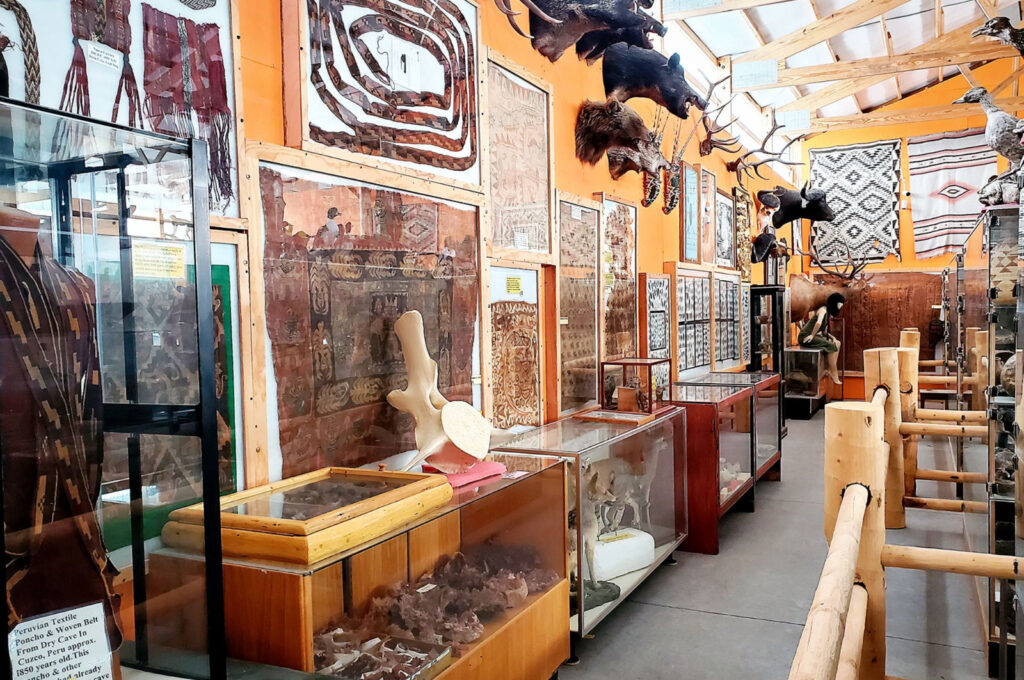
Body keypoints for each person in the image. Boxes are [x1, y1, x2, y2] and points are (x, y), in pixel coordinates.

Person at [798, 292, 845, 385]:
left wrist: (833, 338)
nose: (840, 307)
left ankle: (829, 369)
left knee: (837, 343)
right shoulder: (823, 310)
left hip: (815, 335)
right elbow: (818, 323)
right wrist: (811, 335)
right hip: (806, 336)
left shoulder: (828, 314)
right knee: (830, 345)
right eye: (839, 305)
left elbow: (824, 332)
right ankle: (834, 374)